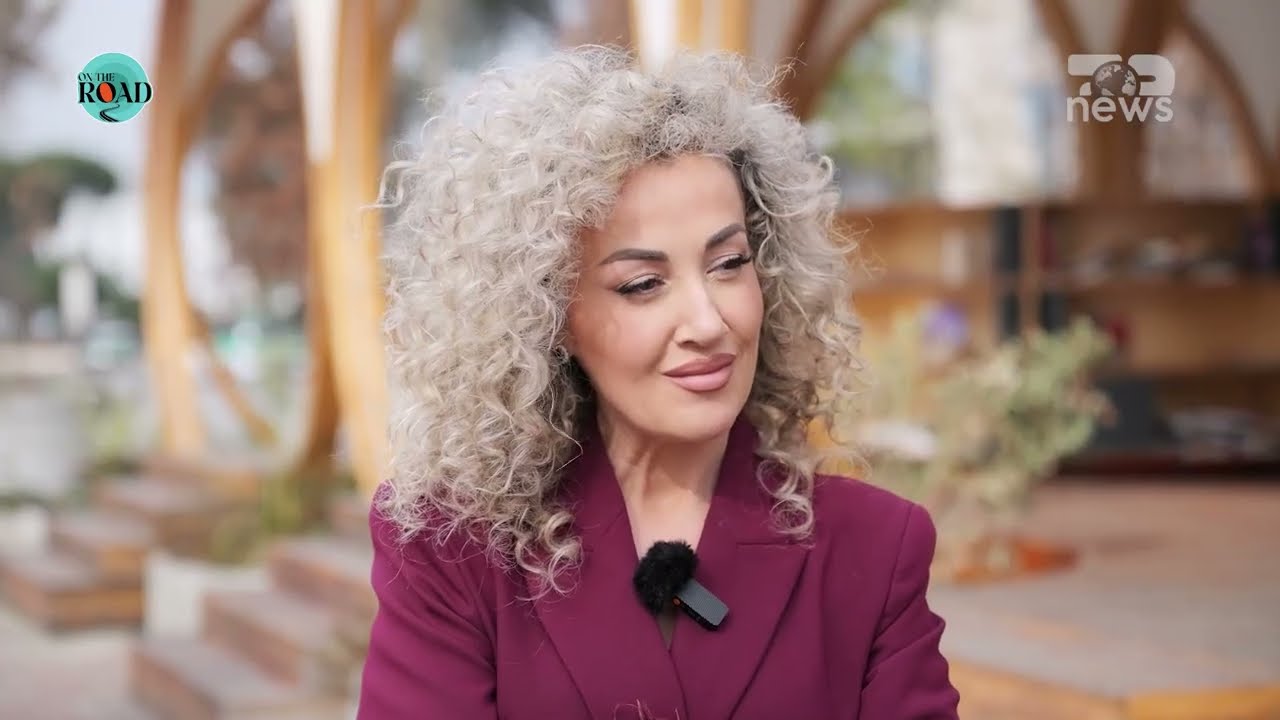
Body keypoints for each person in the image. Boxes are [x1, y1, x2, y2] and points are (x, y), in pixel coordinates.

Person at [360, 45, 960, 719]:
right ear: (548, 314)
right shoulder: (451, 548)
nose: (707, 321)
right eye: (643, 284)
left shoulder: (874, 549)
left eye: (729, 264)